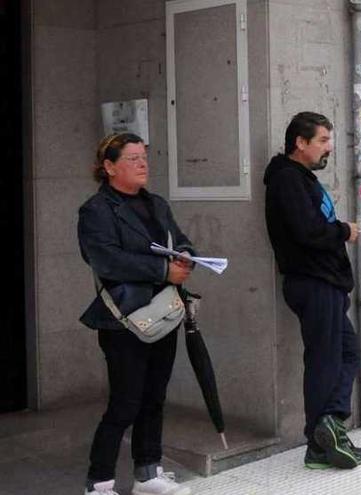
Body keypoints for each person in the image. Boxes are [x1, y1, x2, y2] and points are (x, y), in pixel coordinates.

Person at [78, 133, 195, 495]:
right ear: (109, 167)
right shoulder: (96, 211)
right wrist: (163, 272)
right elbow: (105, 259)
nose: (142, 164)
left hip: (163, 312)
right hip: (124, 318)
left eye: (144, 156)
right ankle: (99, 482)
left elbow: (179, 238)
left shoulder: (156, 204)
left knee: (154, 396)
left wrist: (186, 255)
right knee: (125, 401)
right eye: (131, 158)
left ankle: (148, 473)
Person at [263, 112, 361, 470]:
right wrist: (343, 231)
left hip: (327, 283)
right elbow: (307, 231)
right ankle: (319, 440)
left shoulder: (301, 179)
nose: (329, 148)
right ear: (300, 143)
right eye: (322, 141)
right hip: (313, 282)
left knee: (347, 352)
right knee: (325, 360)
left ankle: (330, 429)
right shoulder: (287, 181)